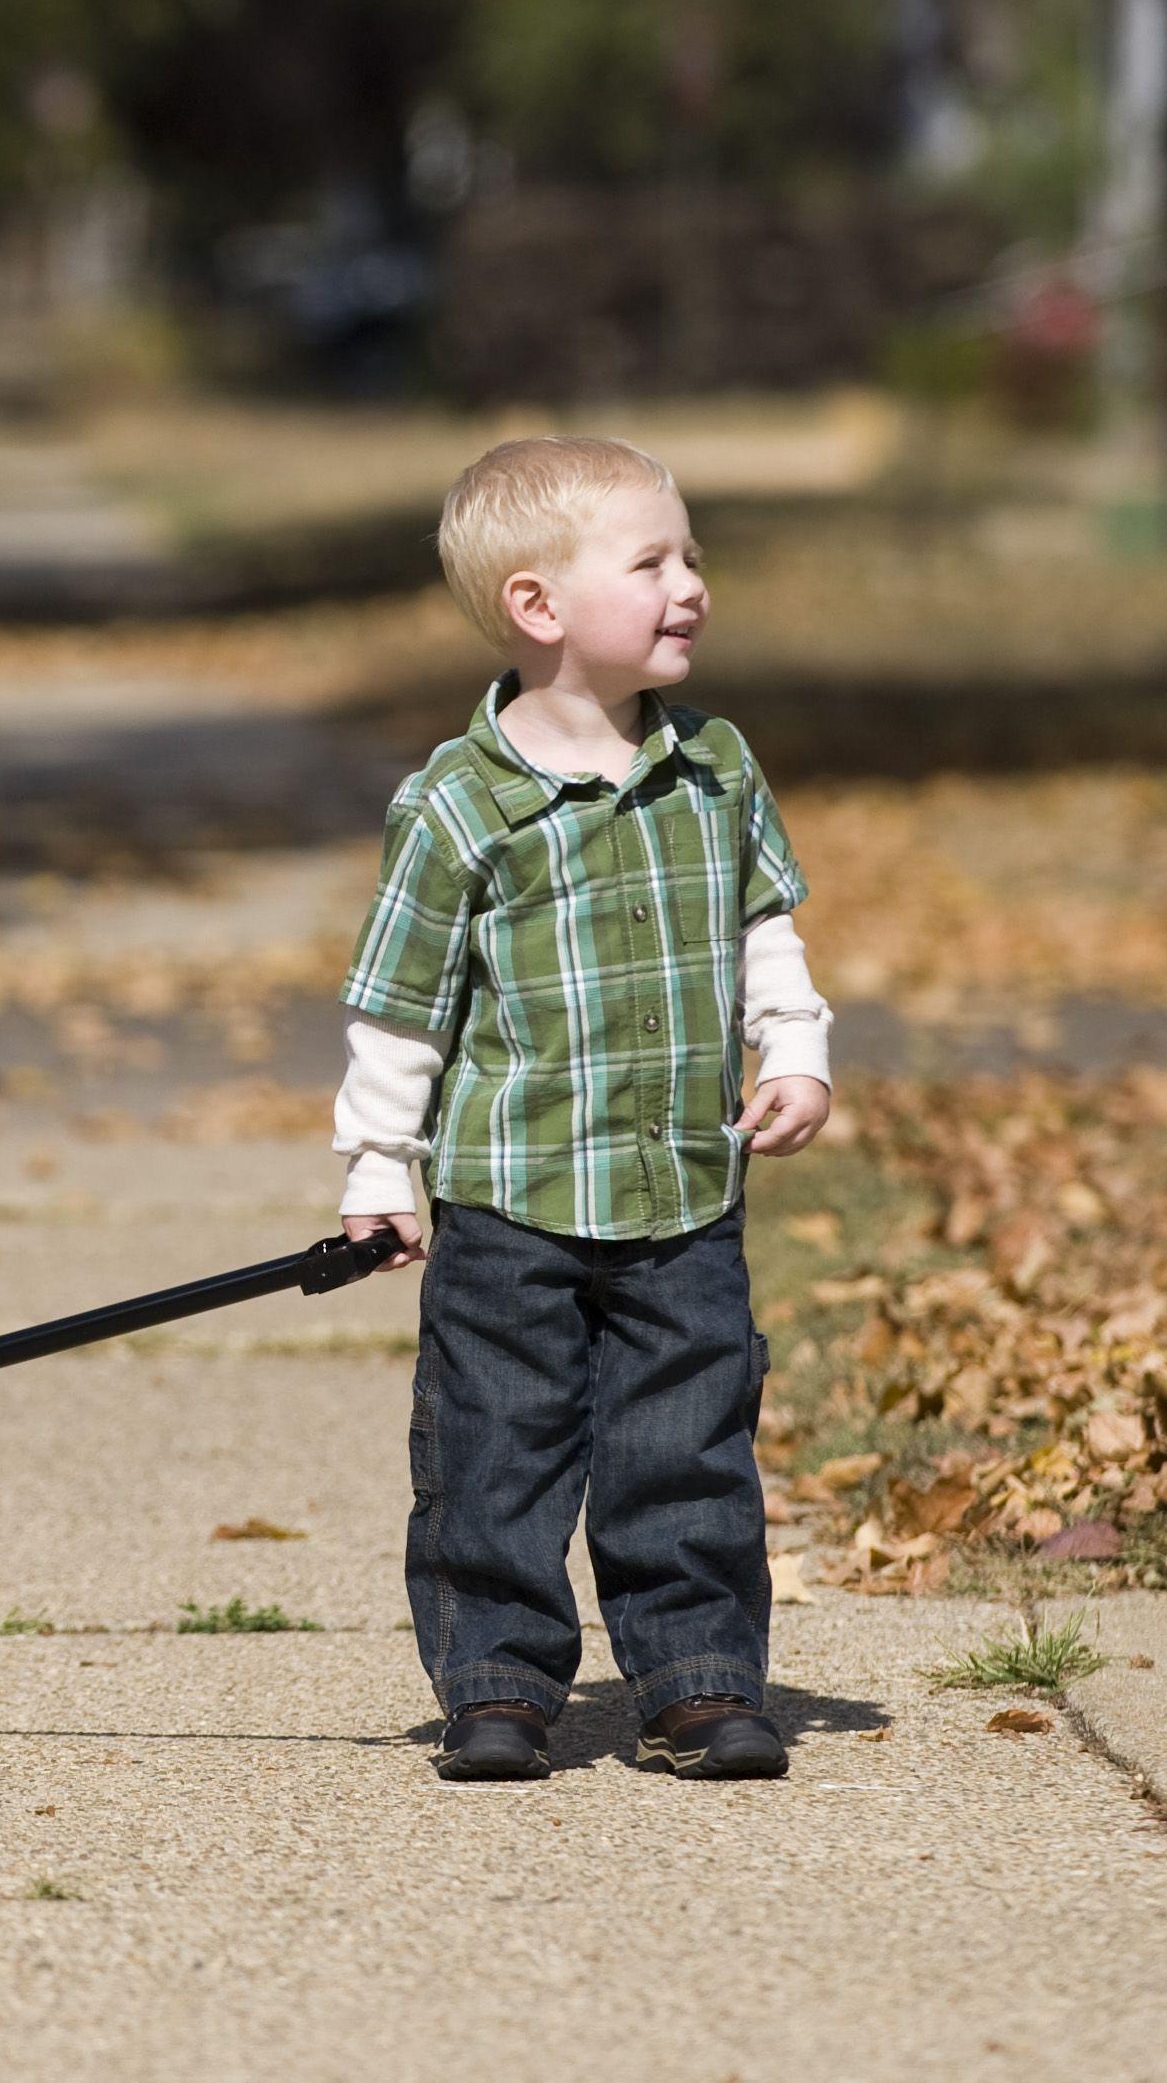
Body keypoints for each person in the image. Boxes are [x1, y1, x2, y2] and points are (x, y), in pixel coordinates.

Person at [333, 434, 831, 1783]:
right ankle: (496, 1683)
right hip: (511, 1201)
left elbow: (763, 930)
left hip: (682, 1189)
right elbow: (398, 1007)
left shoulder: (716, 770)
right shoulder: (457, 807)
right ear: (538, 608)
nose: (691, 586)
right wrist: (378, 1171)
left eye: (694, 558)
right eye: (653, 562)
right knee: (496, 1453)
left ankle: (698, 1679)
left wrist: (794, 1049)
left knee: (687, 1444)